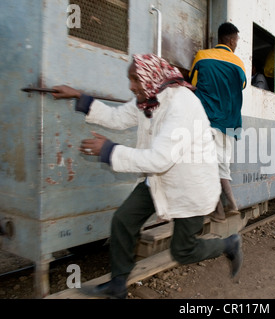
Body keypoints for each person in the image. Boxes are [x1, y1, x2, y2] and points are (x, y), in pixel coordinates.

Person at [51, 54, 243, 299]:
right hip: (159, 181)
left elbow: (160, 158)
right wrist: (80, 96)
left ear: (151, 77)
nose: (131, 86)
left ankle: (229, 244)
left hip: (191, 186)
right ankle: (118, 284)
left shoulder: (182, 104)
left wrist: (109, 151)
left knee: (183, 251)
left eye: (135, 79)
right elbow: (117, 117)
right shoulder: (148, 100)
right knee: (123, 220)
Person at [189, 22, 246, 223]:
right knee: (222, 166)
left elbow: (193, 83)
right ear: (230, 41)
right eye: (237, 41)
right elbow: (243, 84)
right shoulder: (238, 63)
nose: (236, 44)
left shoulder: (202, 56)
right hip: (229, 123)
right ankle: (232, 204)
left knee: (207, 166)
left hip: (208, 120)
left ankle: (219, 211)